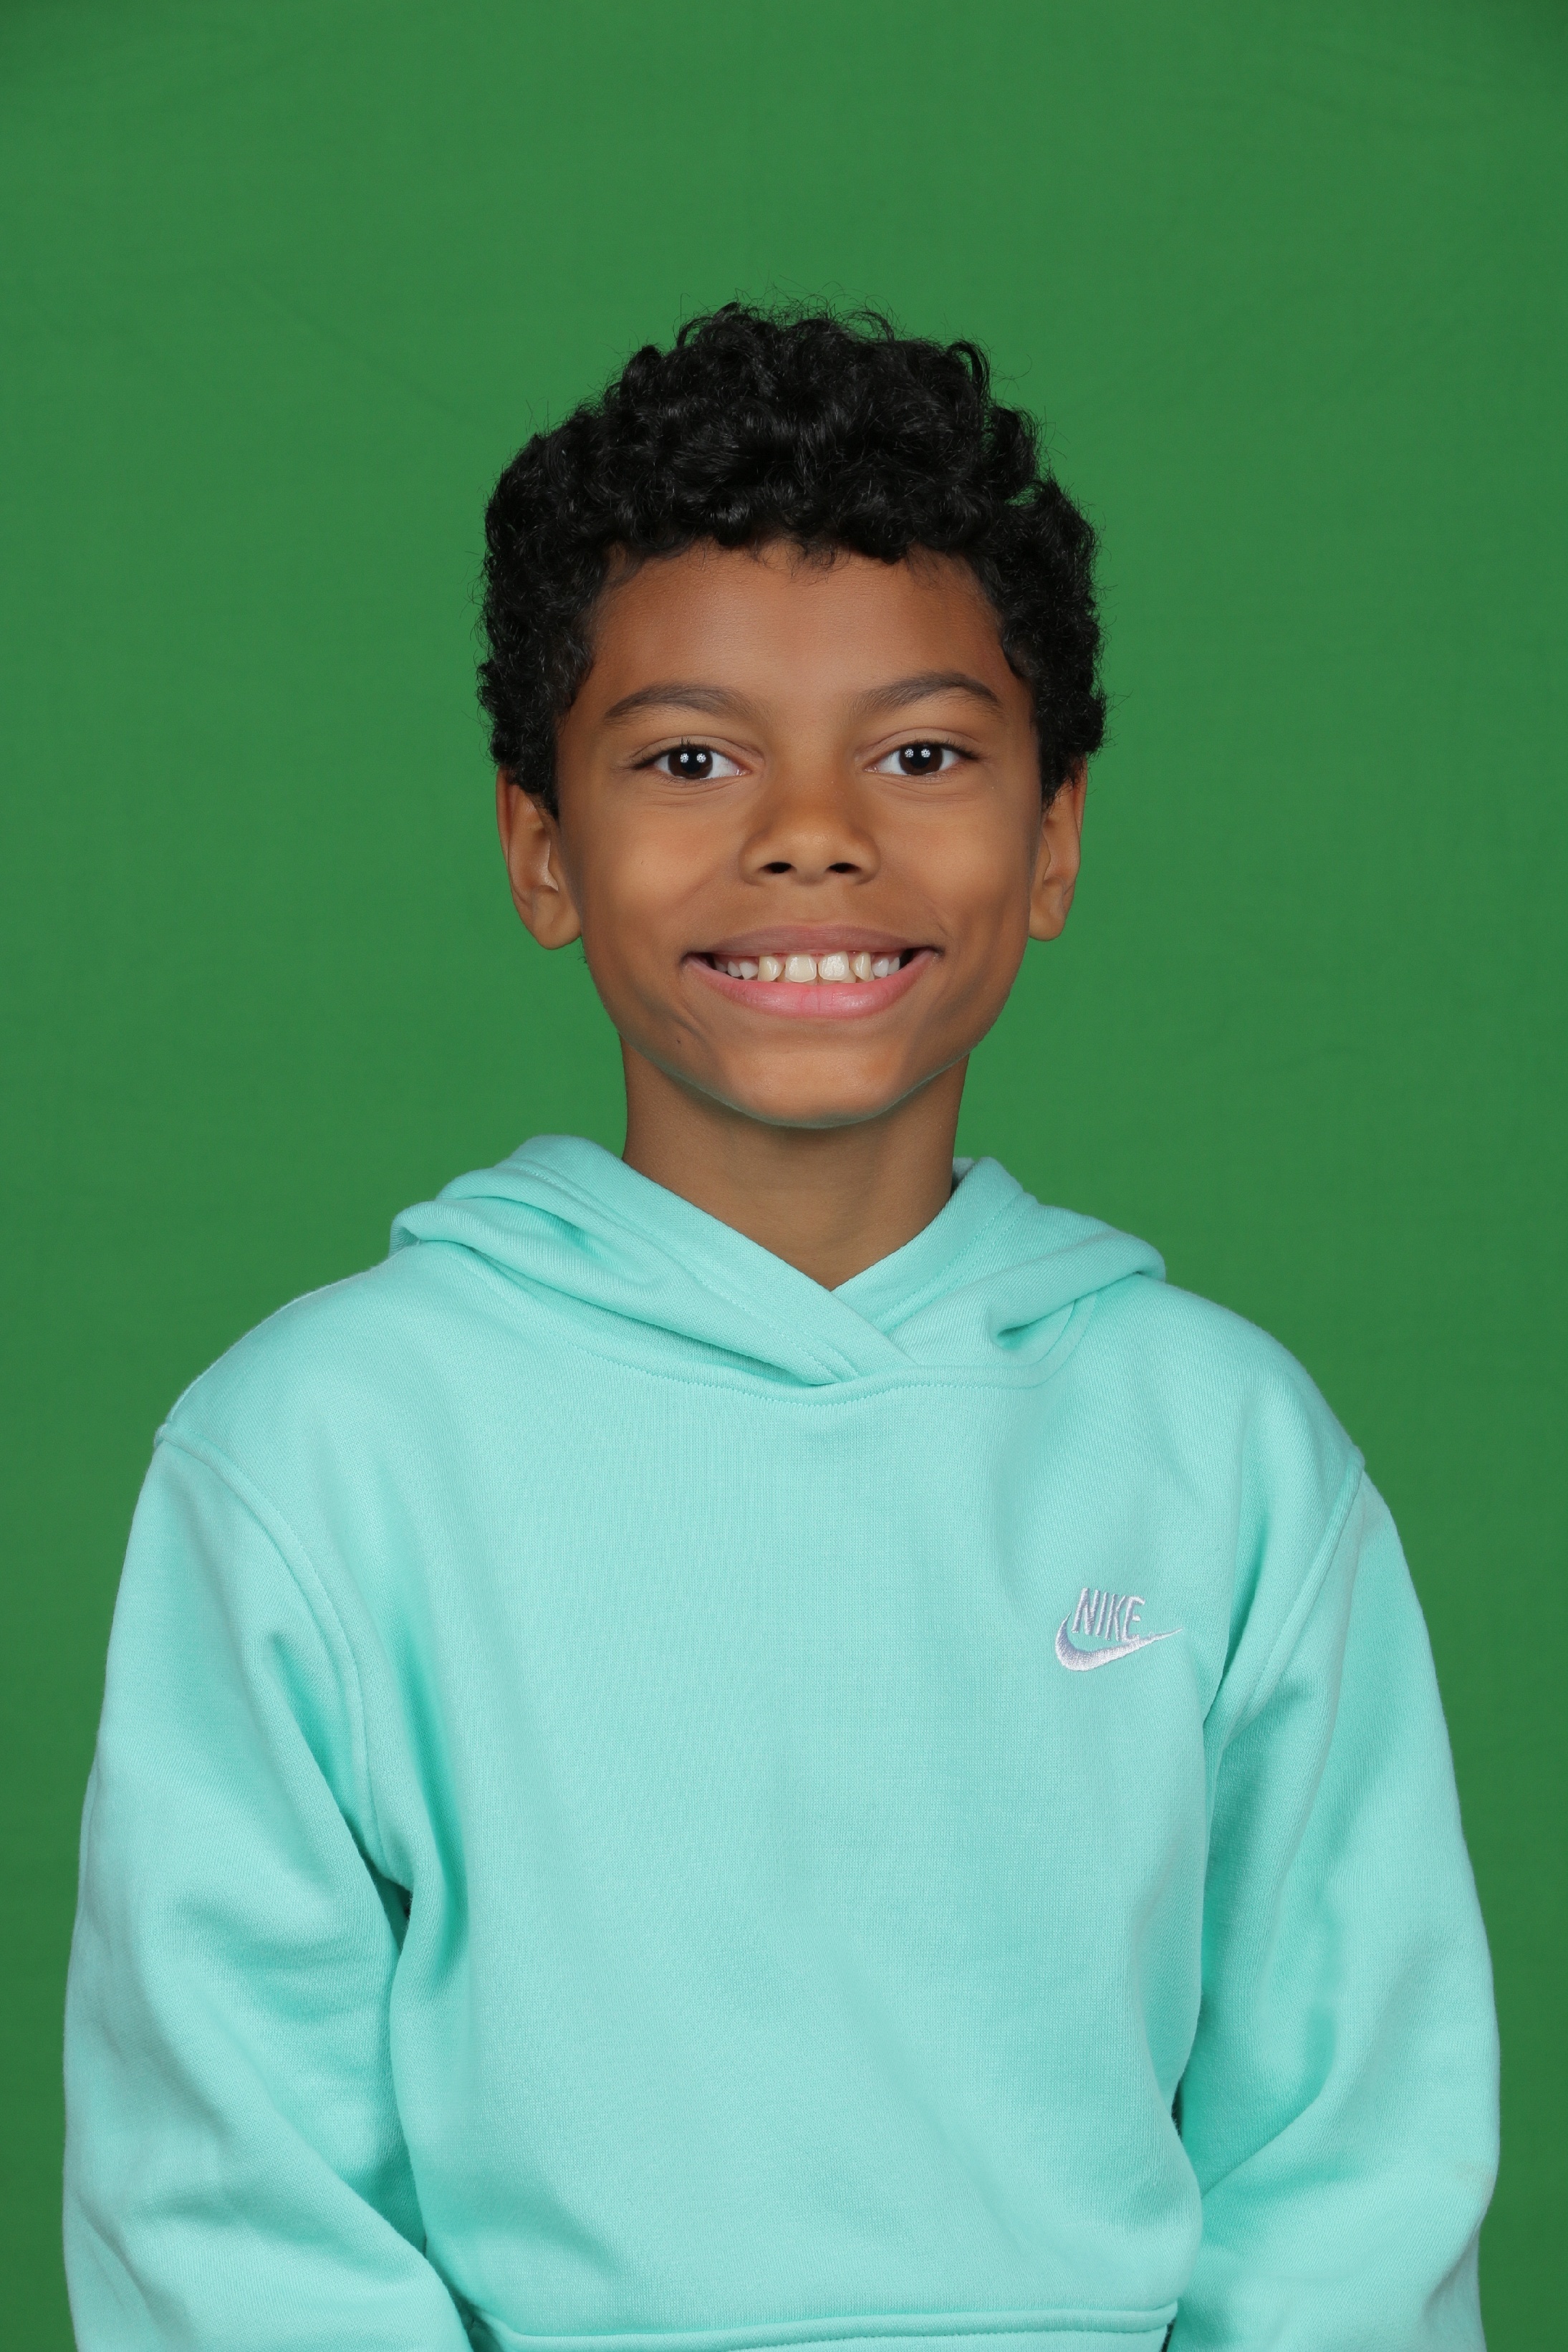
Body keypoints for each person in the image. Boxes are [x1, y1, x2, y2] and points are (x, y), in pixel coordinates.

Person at [63, 305, 1499, 2351]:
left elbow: (1349, 2168)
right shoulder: (319, 1450)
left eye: (921, 753)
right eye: (690, 758)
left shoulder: (1227, 1450)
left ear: (1055, 837)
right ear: (542, 849)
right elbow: (231, 2196)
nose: (811, 830)